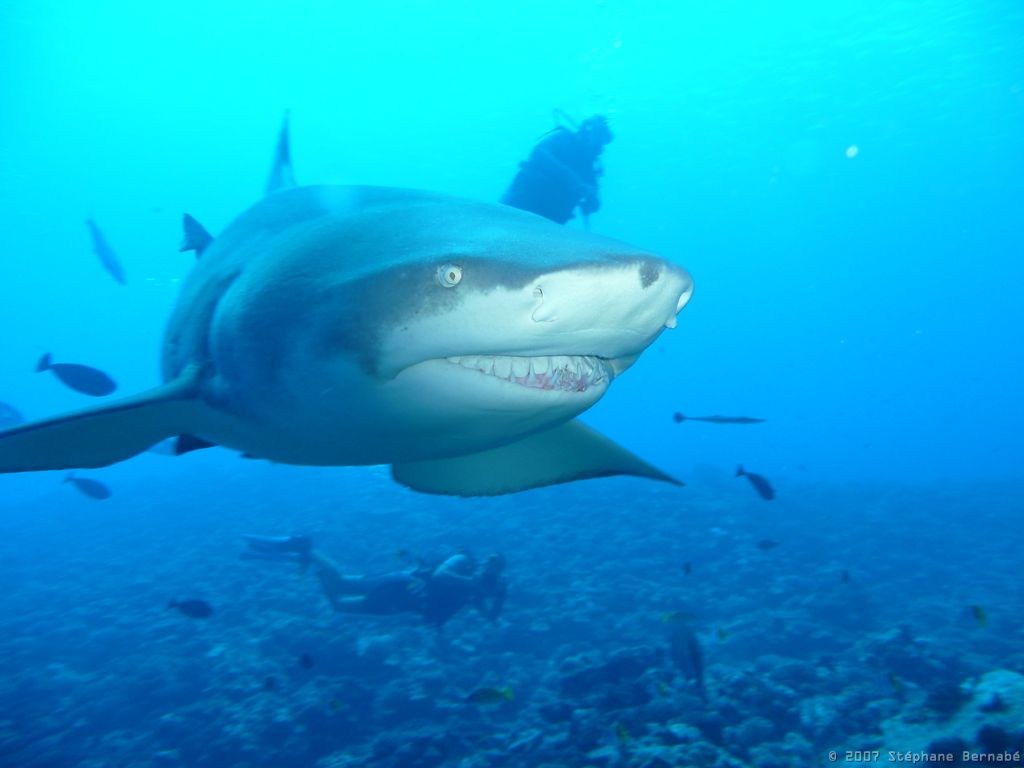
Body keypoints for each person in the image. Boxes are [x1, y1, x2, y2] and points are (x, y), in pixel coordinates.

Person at [240, 535, 507, 627]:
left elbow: (490, 617)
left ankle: (309, 560)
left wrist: (498, 598)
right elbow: (439, 576)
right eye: (489, 559)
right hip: (404, 583)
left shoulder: (479, 590)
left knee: (339, 605)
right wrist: (473, 583)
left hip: (405, 604)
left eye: (495, 564)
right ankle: (305, 547)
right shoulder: (463, 562)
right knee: (344, 583)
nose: (488, 563)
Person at [501, 113, 614, 226]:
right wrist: (572, 179)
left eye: (603, 138)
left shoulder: (590, 164)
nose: (599, 141)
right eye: (598, 134)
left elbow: (595, 198)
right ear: (588, 129)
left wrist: (591, 200)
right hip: (525, 200)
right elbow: (538, 151)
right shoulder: (562, 137)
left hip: (553, 217)